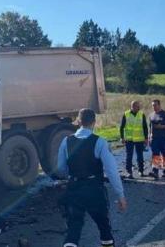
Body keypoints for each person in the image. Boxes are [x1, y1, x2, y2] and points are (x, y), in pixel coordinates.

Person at [57, 108, 127, 247]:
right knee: (104, 227)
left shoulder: (66, 141)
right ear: (94, 122)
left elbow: (61, 169)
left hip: (74, 188)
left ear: (78, 121)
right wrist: (120, 195)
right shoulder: (100, 142)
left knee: (73, 230)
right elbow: (111, 171)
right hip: (94, 189)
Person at [119, 100, 148, 178]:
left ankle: (141, 171)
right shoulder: (126, 114)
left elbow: (145, 127)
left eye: (139, 106)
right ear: (132, 106)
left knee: (140, 156)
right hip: (129, 139)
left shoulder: (141, 114)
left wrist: (146, 138)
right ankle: (129, 172)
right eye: (137, 106)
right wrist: (122, 137)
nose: (139, 108)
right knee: (129, 156)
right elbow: (121, 127)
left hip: (139, 139)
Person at [149, 99, 165, 180]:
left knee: (164, 154)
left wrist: (161, 127)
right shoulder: (151, 115)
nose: (154, 107)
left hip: (164, 138)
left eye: (155, 105)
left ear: (159, 105)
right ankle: (155, 171)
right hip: (154, 138)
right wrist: (149, 137)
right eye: (152, 105)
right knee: (155, 154)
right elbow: (150, 127)